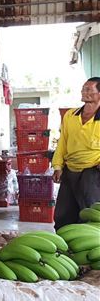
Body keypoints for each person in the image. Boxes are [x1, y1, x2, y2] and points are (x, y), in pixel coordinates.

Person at [52, 77, 100, 229]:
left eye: (89, 89)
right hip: (70, 170)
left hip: (93, 171)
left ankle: (92, 243)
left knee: (89, 211)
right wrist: (58, 166)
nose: (84, 92)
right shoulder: (70, 115)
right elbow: (63, 142)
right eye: (83, 88)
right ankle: (64, 245)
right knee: (62, 214)